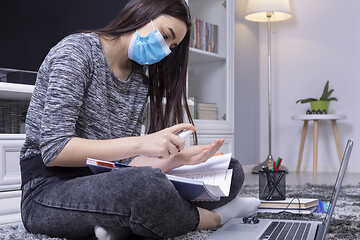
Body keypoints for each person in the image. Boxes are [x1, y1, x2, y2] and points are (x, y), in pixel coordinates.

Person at [20, 0, 260, 239]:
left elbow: (125, 162)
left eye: (173, 46)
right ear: (140, 14)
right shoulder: (76, 52)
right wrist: (143, 142)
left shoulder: (138, 81)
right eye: (166, 35)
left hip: (107, 181)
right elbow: (54, 150)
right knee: (147, 186)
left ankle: (119, 226)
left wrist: (177, 161)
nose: (166, 49)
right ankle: (216, 218)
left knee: (230, 170)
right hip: (48, 189)